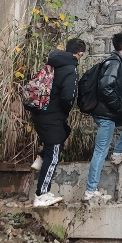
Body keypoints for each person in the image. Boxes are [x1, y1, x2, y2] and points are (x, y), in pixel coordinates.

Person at [84, 32, 122, 202]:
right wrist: (118, 107)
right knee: (100, 151)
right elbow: (106, 87)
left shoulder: (117, 62)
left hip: (110, 112)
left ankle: (117, 152)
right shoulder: (114, 63)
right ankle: (90, 190)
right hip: (106, 115)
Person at [32, 38, 86, 207]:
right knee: (53, 155)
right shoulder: (70, 69)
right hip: (53, 116)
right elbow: (68, 97)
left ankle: (41, 156)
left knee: (64, 131)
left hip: (40, 113)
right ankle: (41, 195)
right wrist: (66, 109)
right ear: (79, 54)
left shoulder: (52, 64)